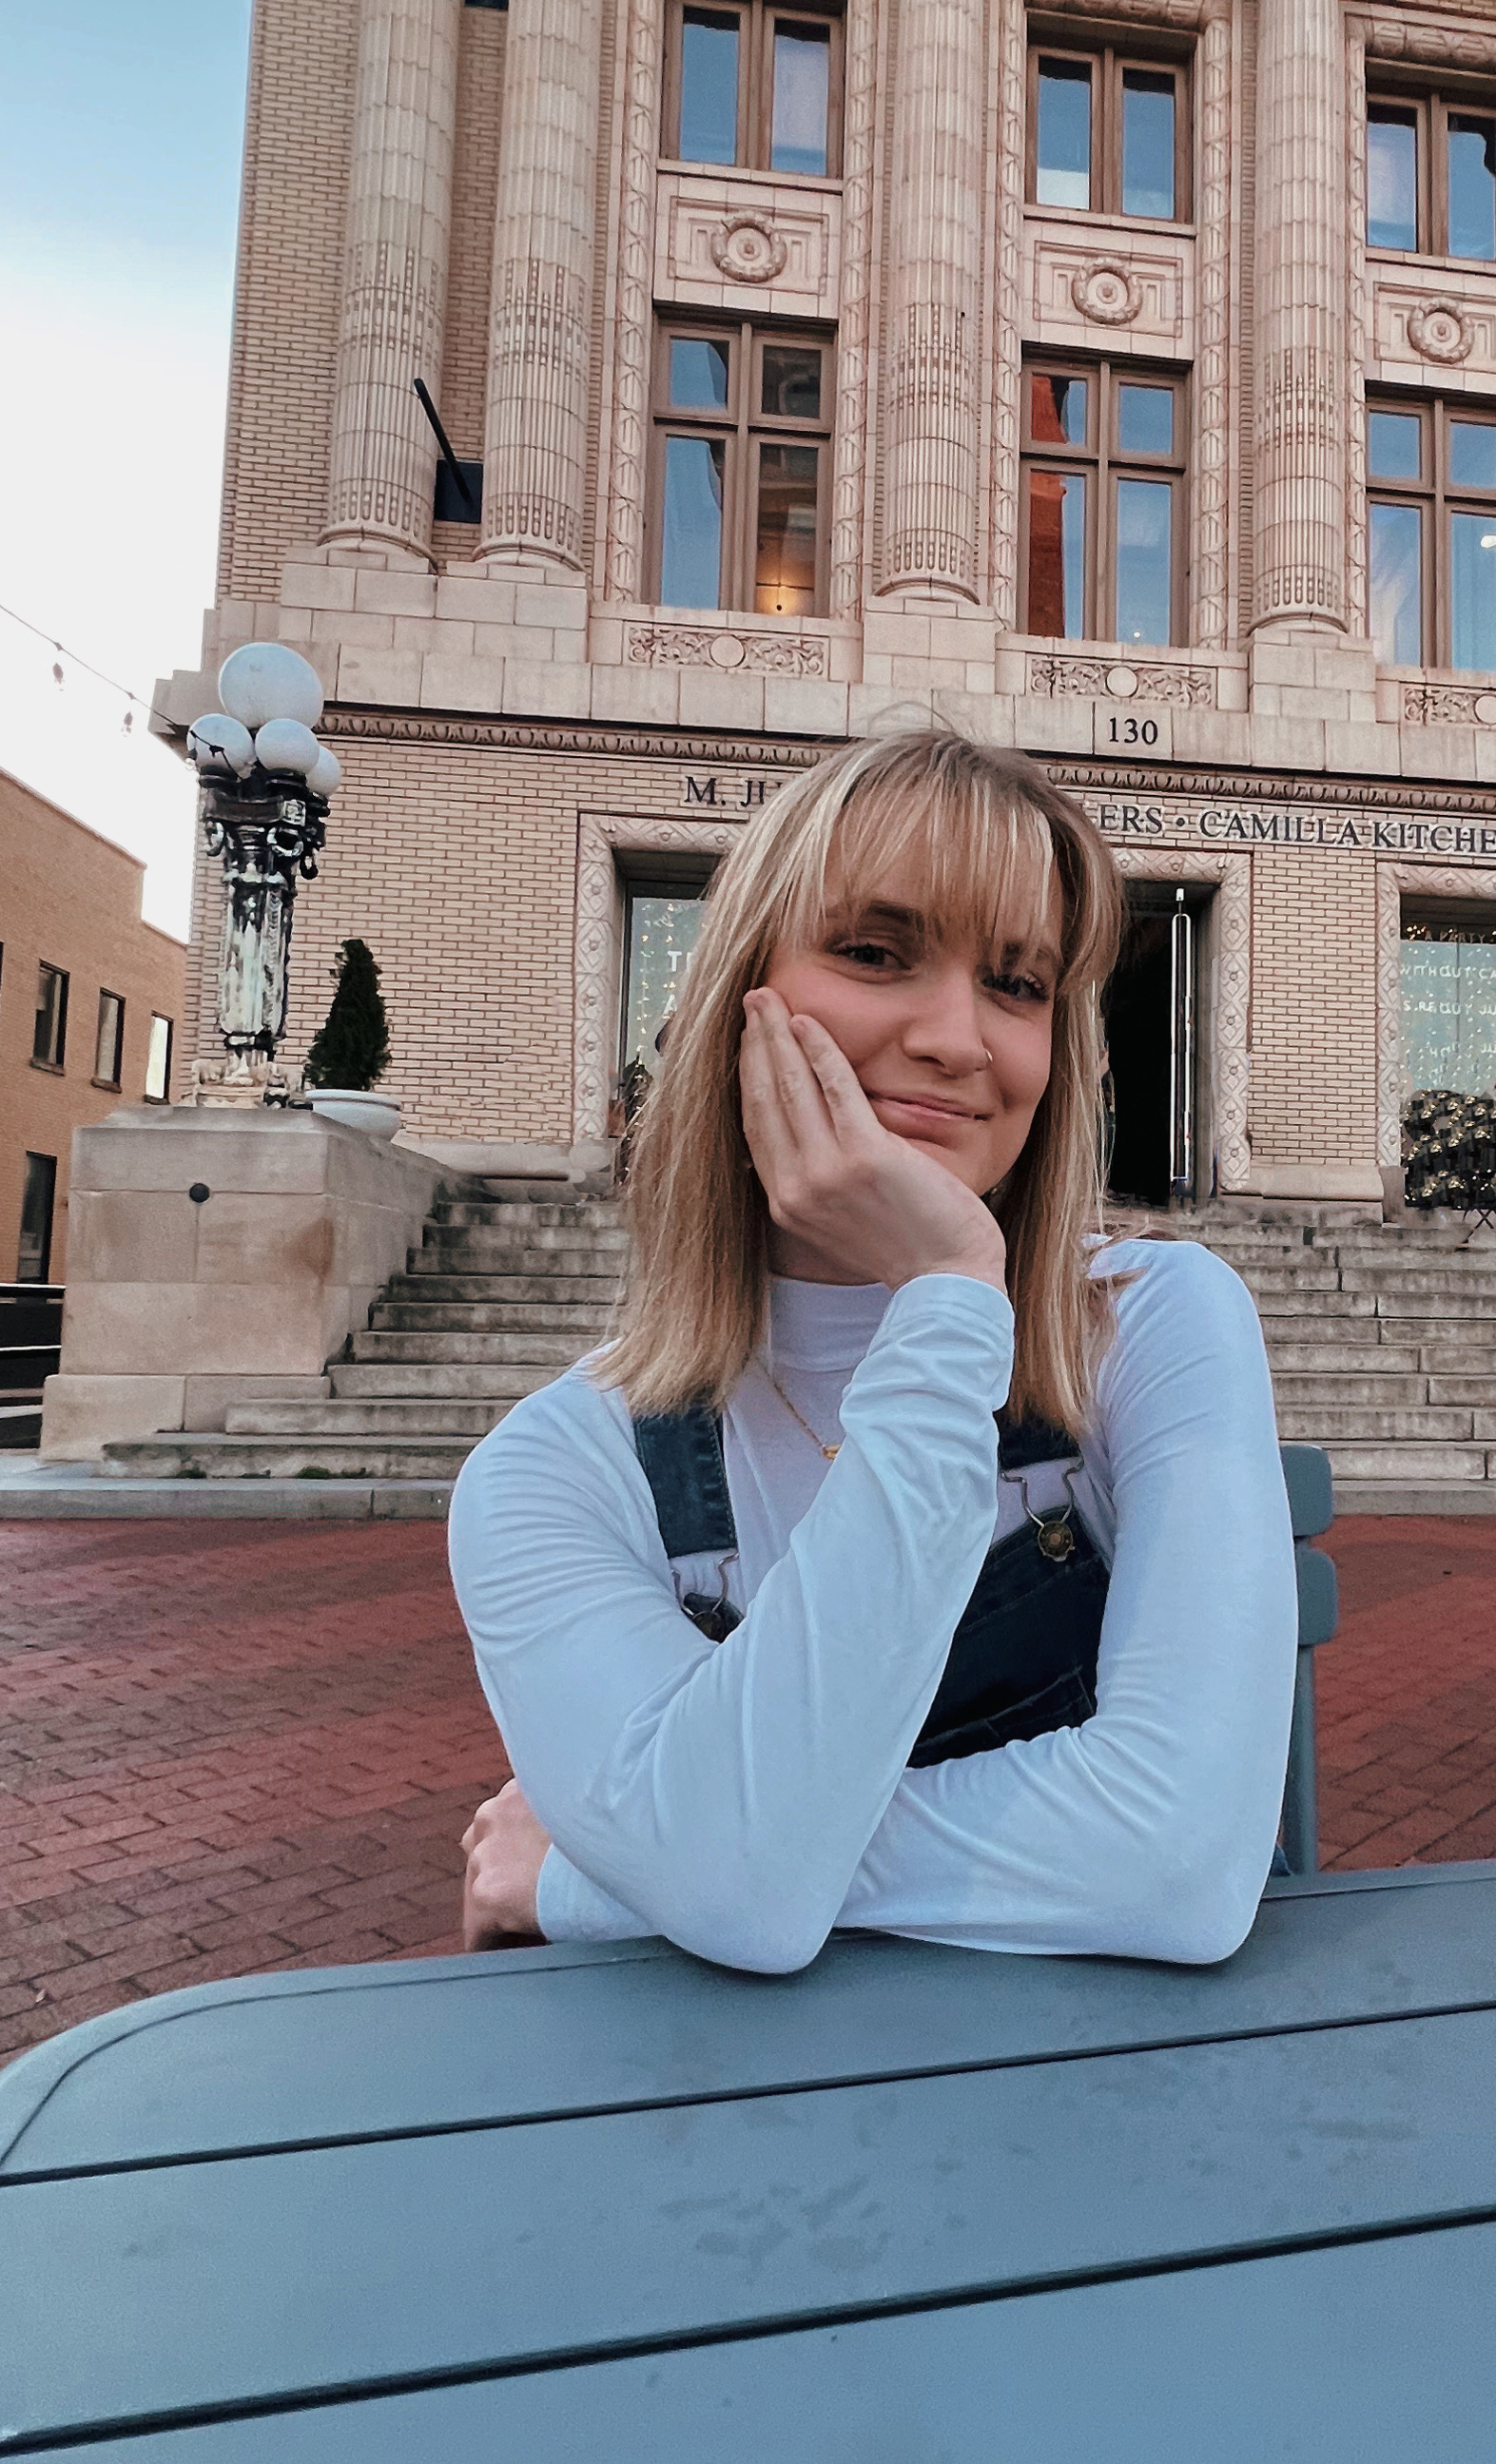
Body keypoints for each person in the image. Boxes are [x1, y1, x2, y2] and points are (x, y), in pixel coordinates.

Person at [449, 728, 1295, 1975]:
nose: (960, 1039)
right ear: (743, 987)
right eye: (876, 953)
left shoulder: (1159, 1322)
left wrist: (606, 1879)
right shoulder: (551, 1476)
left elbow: (1180, 1865)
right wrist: (949, 1292)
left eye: (1017, 985)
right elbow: (736, 1883)